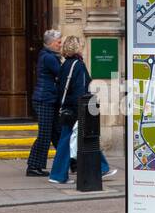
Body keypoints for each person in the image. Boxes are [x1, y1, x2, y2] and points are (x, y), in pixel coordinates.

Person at [49, 36, 117, 184]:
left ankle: (101, 168)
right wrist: (84, 108)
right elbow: (80, 89)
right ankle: (58, 175)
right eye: (81, 45)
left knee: (77, 139)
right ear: (76, 47)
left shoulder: (66, 64)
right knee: (82, 139)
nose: (83, 47)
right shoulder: (78, 65)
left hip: (68, 107)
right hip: (76, 108)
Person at [26, 29, 62, 177]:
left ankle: (71, 162)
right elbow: (61, 74)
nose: (60, 45)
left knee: (57, 134)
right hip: (44, 100)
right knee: (45, 135)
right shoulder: (49, 57)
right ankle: (33, 166)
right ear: (52, 43)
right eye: (59, 42)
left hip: (48, 99)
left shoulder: (48, 55)